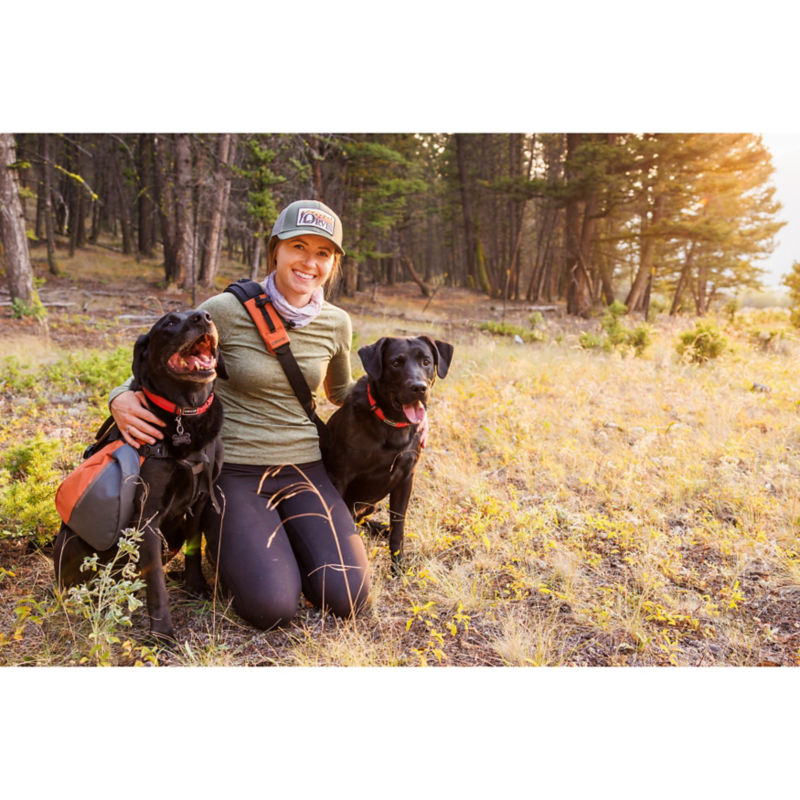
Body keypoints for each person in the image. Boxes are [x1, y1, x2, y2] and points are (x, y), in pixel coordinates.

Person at [109, 200, 371, 630]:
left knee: (349, 598)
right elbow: (163, 354)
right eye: (298, 248)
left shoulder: (337, 322)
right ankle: (230, 542)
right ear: (275, 251)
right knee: (273, 608)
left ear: (334, 263)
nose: (309, 263)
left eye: (323, 254)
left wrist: (411, 410)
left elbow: (342, 392)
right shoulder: (227, 310)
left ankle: (272, 541)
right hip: (233, 472)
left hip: (306, 467)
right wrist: (120, 397)